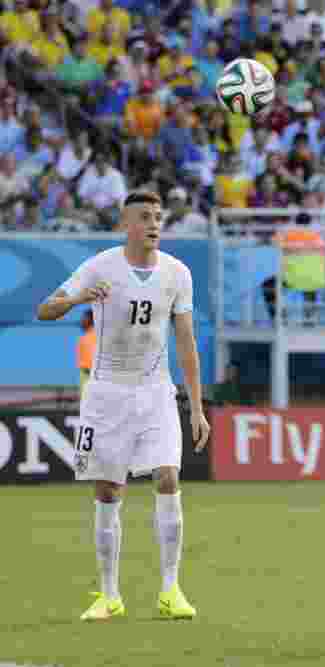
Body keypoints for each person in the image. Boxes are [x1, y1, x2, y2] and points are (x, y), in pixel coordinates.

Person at [36, 190, 210, 621]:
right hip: (107, 394)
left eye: (158, 216)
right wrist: (78, 299)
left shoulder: (178, 274)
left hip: (156, 391)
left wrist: (197, 406)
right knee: (108, 490)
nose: (154, 224)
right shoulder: (100, 266)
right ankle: (109, 595)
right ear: (125, 224)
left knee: (168, 477)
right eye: (144, 217)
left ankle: (171, 590)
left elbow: (186, 342)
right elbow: (45, 309)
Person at [76, 309, 96, 395]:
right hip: (87, 376)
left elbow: (91, 362)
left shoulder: (90, 337)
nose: (81, 321)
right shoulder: (88, 336)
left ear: (90, 320)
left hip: (89, 377)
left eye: (84, 318)